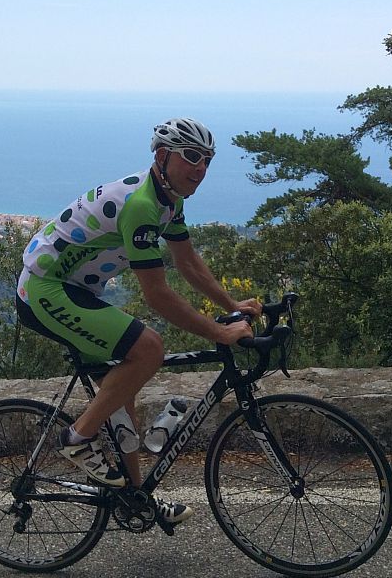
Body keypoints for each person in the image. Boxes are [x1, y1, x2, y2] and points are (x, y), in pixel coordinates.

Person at [16, 117, 262, 527]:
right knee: (148, 348)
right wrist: (220, 332)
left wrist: (231, 303)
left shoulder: (169, 199)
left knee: (123, 390)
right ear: (163, 157)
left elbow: (188, 263)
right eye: (191, 158)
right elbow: (157, 294)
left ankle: (136, 497)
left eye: (207, 160)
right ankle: (77, 438)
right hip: (45, 287)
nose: (200, 169)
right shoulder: (143, 206)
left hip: (77, 289)